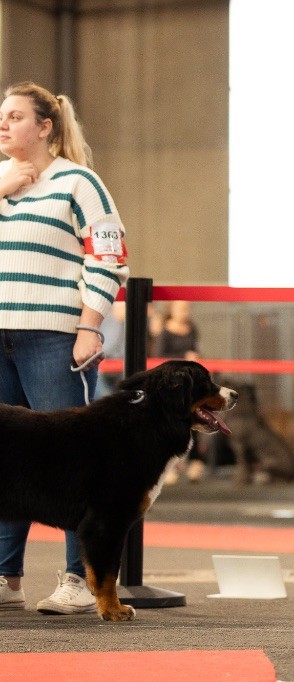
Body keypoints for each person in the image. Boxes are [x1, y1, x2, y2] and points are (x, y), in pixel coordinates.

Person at [0, 81, 128, 616]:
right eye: (0, 117)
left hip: (53, 335)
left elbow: (108, 255)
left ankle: (79, 579)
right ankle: (6, 578)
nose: (3, 124)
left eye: (15, 116)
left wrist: (90, 325)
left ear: (45, 126)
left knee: (76, 463)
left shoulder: (79, 181)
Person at [151, 300, 203, 482]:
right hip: (170, 384)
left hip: (189, 383)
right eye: (181, 308)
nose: (185, 312)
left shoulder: (192, 328)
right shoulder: (164, 332)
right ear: (172, 310)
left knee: (194, 419)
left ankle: (195, 462)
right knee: (168, 424)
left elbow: (197, 350)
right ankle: (168, 465)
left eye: (187, 308)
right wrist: (183, 358)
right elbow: (158, 358)